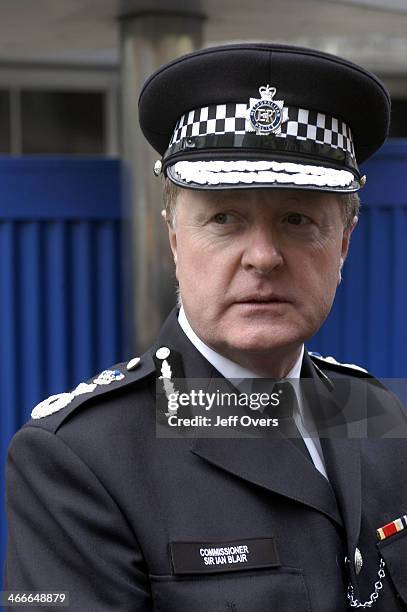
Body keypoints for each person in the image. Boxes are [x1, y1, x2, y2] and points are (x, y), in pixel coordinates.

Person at [4, 43, 407, 611]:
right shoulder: (81, 459)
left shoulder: (376, 413)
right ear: (175, 239)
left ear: (342, 244)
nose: (263, 257)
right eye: (224, 218)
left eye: (297, 219)